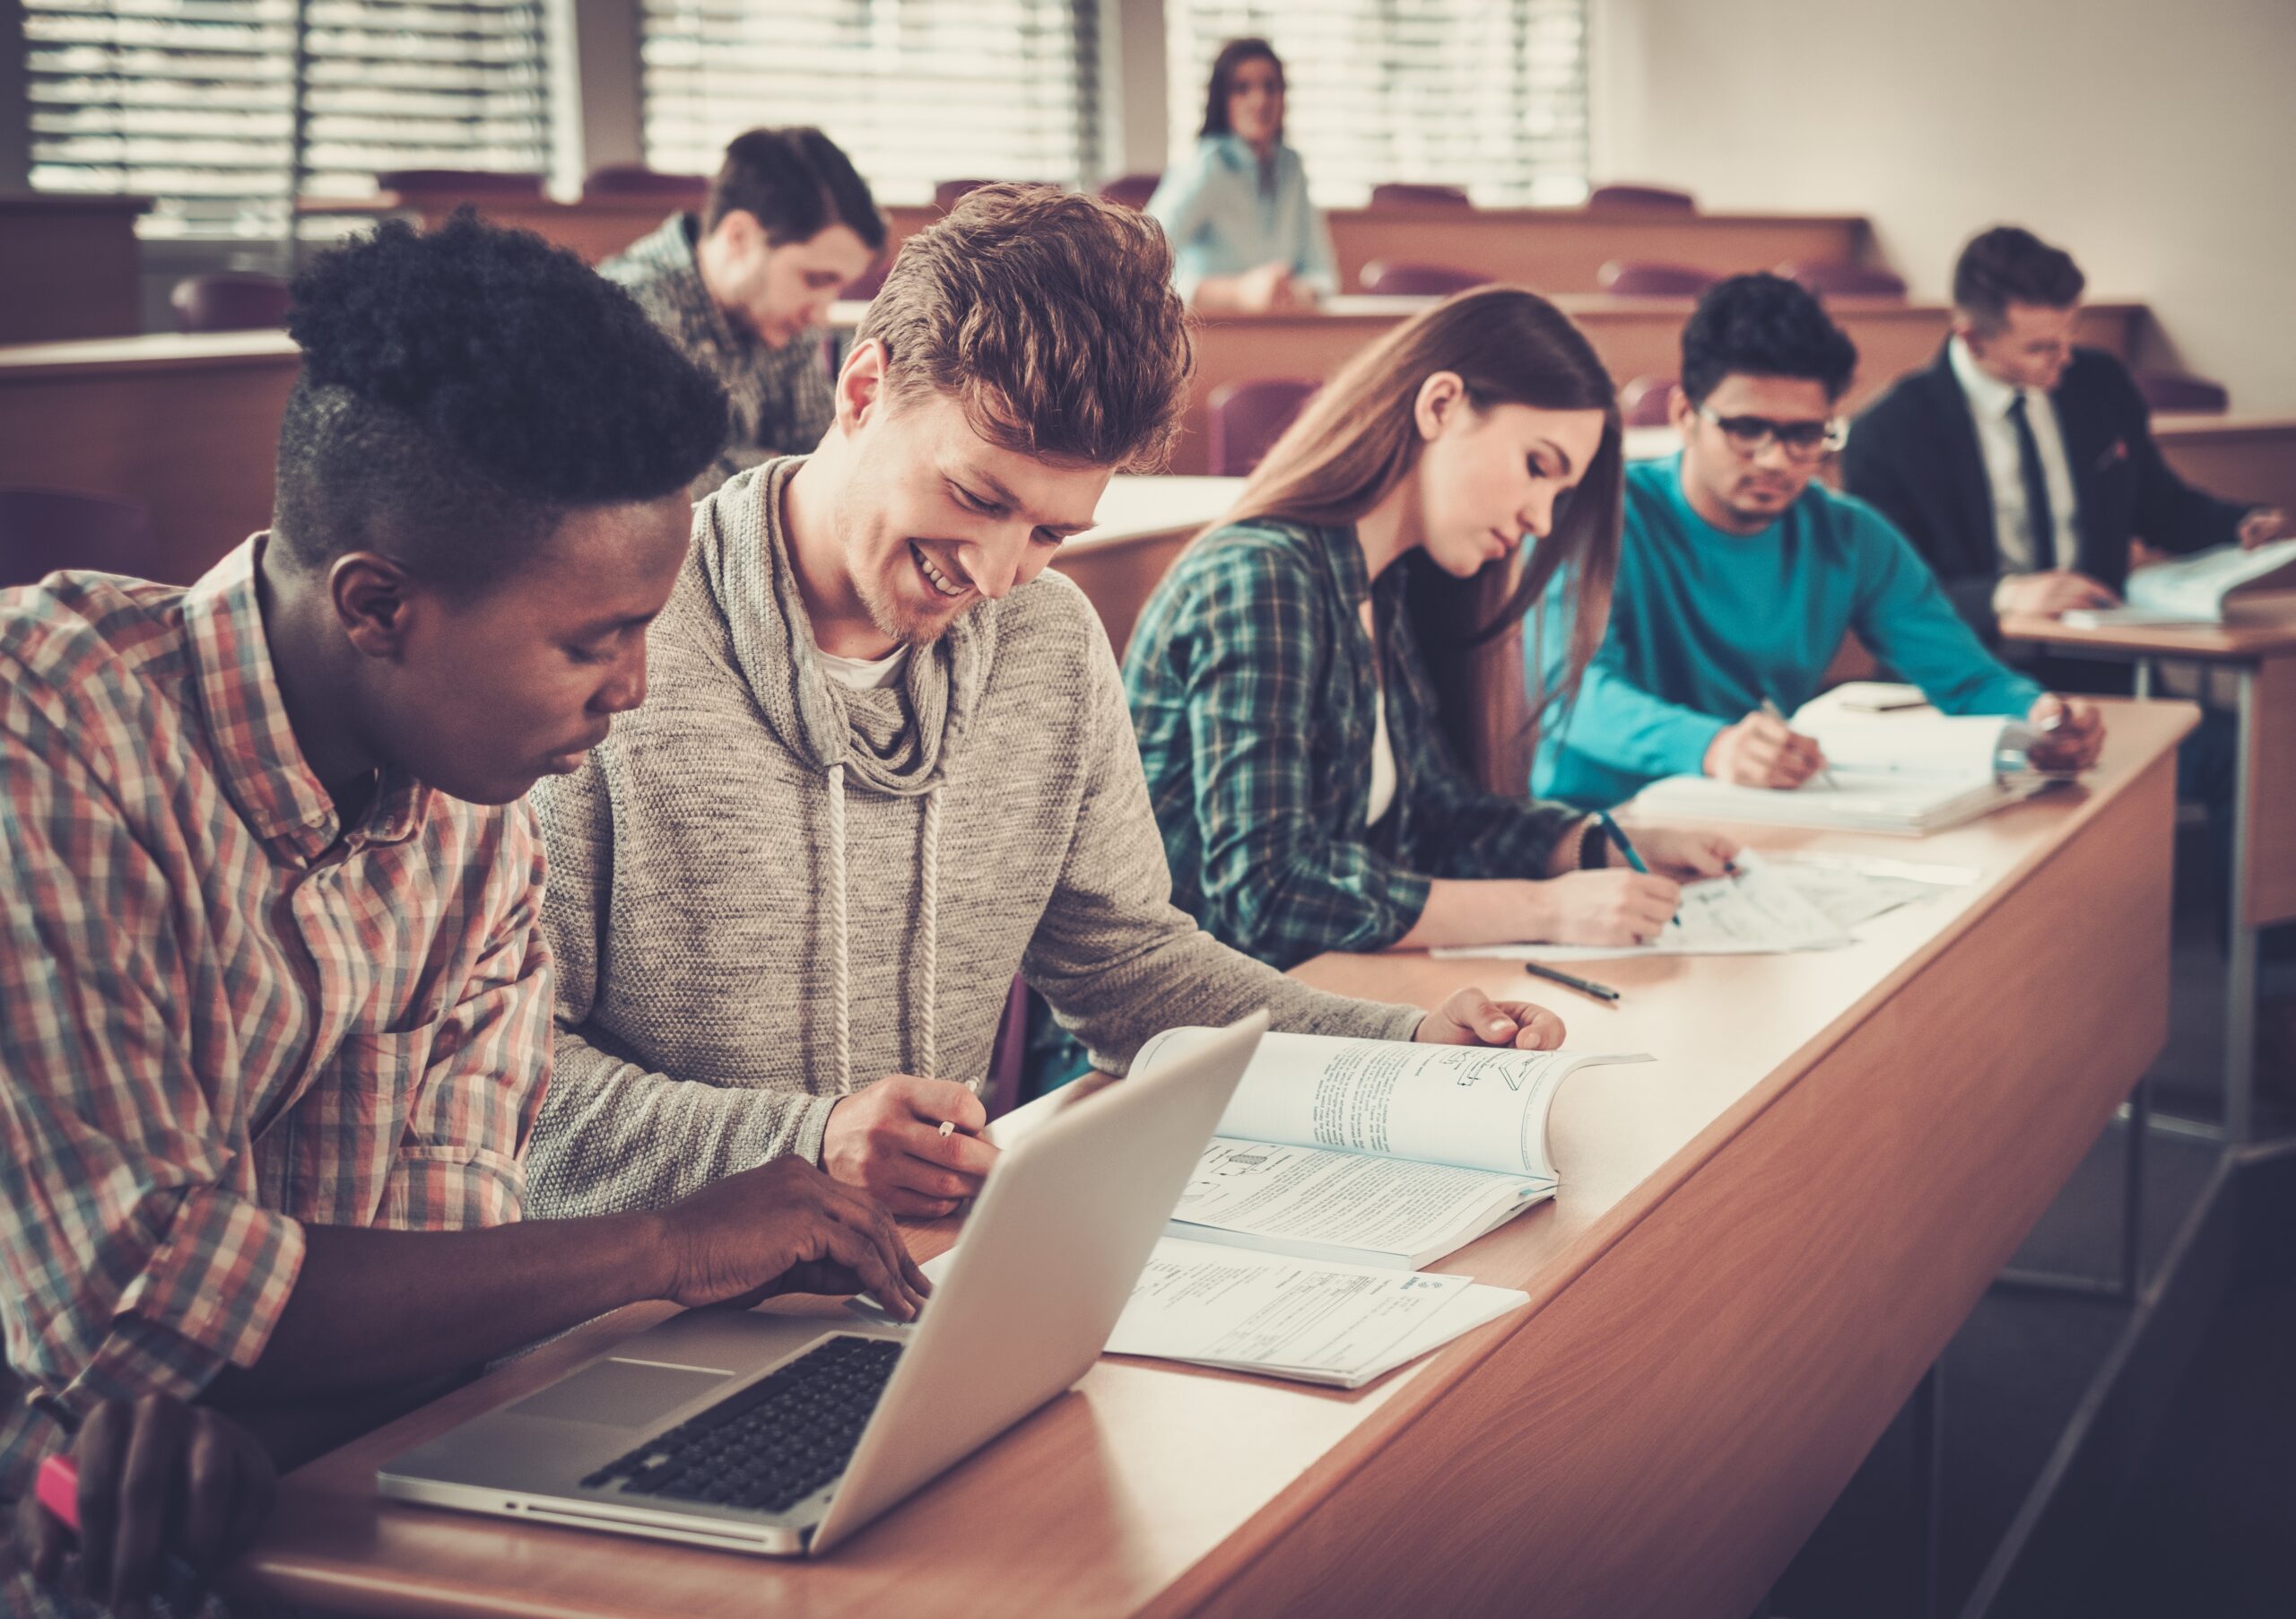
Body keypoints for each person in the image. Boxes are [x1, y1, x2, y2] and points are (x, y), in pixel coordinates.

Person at [0, 216, 929, 1616]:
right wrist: (664, 1245)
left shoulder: (474, 808)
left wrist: (237, 1397)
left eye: (646, 630)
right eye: (590, 640)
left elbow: (423, 1297)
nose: (634, 690)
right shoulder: (50, 736)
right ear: (378, 606)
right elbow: (150, 1295)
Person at [524, 186, 1569, 1230]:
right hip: (634, 1301)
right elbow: (505, 1082)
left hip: (911, 1273)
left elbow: (1128, 969)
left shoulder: (1048, 640)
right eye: (978, 497)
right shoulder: (622, 636)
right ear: (862, 389)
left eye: (1050, 533)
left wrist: (1398, 1045)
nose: (990, 572)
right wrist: (807, 1145)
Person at [1125, 286, 1738, 969]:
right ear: (1440, 405)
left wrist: (1604, 841)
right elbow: (1268, 892)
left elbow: (1441, 818)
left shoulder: (1382, 583)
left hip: (1295, 1006)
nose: (1541, 519)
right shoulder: (1260, 577)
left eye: (1559, 494)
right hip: (1177, 1043)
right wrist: (1548, 910)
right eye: (1537, 467)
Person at [1531, 273, 2105, 810]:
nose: (1776, 461)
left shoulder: (1851, 537)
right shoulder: (1597, 521)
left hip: (1743, 815)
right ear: (1686, 413)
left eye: (1805, 435)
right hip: (1593, 824)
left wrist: (2041, 717)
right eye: (1747, 430)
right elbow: (1570, 695)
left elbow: (1967, 677)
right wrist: (1714, 747)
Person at [1843, 225, 2290, 643]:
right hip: (1970, 659)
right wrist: (2006, 595)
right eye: (2039, 348)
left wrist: (2235, 524)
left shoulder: (2099, 383)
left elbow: (2158, 504)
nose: (2064, 359)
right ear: (1972, 339)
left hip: (2100, 648)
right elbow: (1887, 592)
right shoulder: (1887, 433)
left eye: (2069, 336)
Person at [602, 126, 886, 495]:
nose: (820, 314)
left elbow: (830, 449)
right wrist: (777, 466)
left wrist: (754, 465)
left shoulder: (779, 316)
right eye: (815, 279)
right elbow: (664, 490)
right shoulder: (628, 314)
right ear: (739, 237)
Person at [1146, 37, 1337, 314]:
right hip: (1213, 331)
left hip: (1284, 328)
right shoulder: (1205, 167)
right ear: (1222, 99)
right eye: (1242, 88)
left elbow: (1323, 273)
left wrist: (1295, 292)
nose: (1260, 100)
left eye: (1270, 87)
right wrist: (1234, 293)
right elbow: (1143, 261)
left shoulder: (1292, 168)